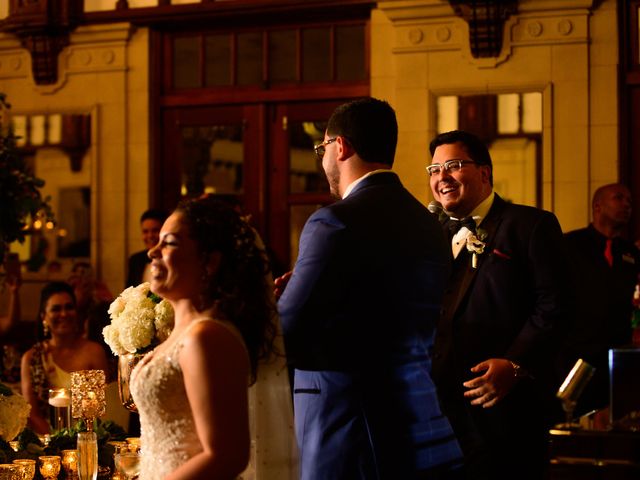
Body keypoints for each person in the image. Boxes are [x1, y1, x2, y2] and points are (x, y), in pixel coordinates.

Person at [277, 98, 463, 479]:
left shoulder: (333, 222)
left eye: (322, 147)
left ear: (341, 146)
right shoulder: (427, 224)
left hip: (348, 425)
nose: (322, 159)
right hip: (421, 420)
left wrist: (272, 305)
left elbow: (287, 331)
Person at [427, 130, 571, 479]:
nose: (441, 176)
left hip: (508, 414)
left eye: (453, 165)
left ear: (484, 173)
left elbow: (555, 306)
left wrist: (515, 363)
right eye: (433, 169)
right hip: (438, 412)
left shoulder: (531, 225)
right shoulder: (427, 232)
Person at [130, 196, 296, 480]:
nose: (152, 252)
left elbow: (226, 456)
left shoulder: (207, 336)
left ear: (210, 262)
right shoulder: (181, 334)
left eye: (169, 242)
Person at [561, 183, 640, 414]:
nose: (626, 205)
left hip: (618, 358)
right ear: (598, 206)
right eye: (619, 198)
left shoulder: (631, 253)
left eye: (630, 202)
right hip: (577, 356)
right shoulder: (569, 244)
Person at [20, 281, 111, 434]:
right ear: (44, 317)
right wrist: (58, 441)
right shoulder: (31, 358)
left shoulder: (94, 352)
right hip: (46, 442)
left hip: (88, 436)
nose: (63, 314)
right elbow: (32, 414)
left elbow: (102, 406)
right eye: (56, 309)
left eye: (69, 307)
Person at [126, 208, 167, 288]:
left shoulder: (174, 259)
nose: (150, 236)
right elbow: (128, 292)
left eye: (155, 231)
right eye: (145, 231)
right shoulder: (135, 260)